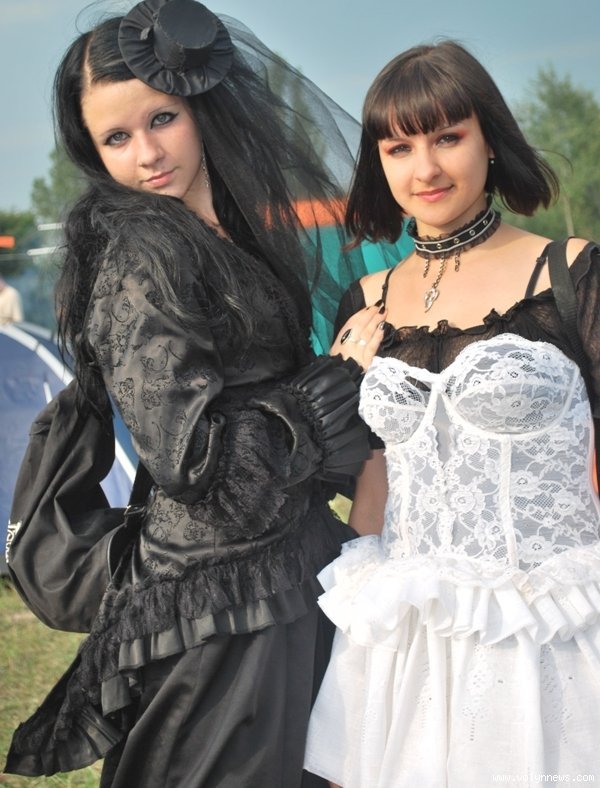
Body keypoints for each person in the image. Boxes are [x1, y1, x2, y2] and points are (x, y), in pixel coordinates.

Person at [3, 1, 387, 786]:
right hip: (220, 606)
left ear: (199, 104)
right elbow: (195, 463)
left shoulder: (220, 229)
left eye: (162, 119)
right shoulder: (141, 252)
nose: (147, 154)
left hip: (279, 574)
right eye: (116, 138)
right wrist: (337, 382)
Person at [304, 40, 600, 787]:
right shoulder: (366, 300)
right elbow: (374, 479)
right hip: (408, 635)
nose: (426, 169)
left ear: (489, 140)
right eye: (399, 147)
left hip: (552, 629)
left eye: (447, 137)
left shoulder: (572, 273)